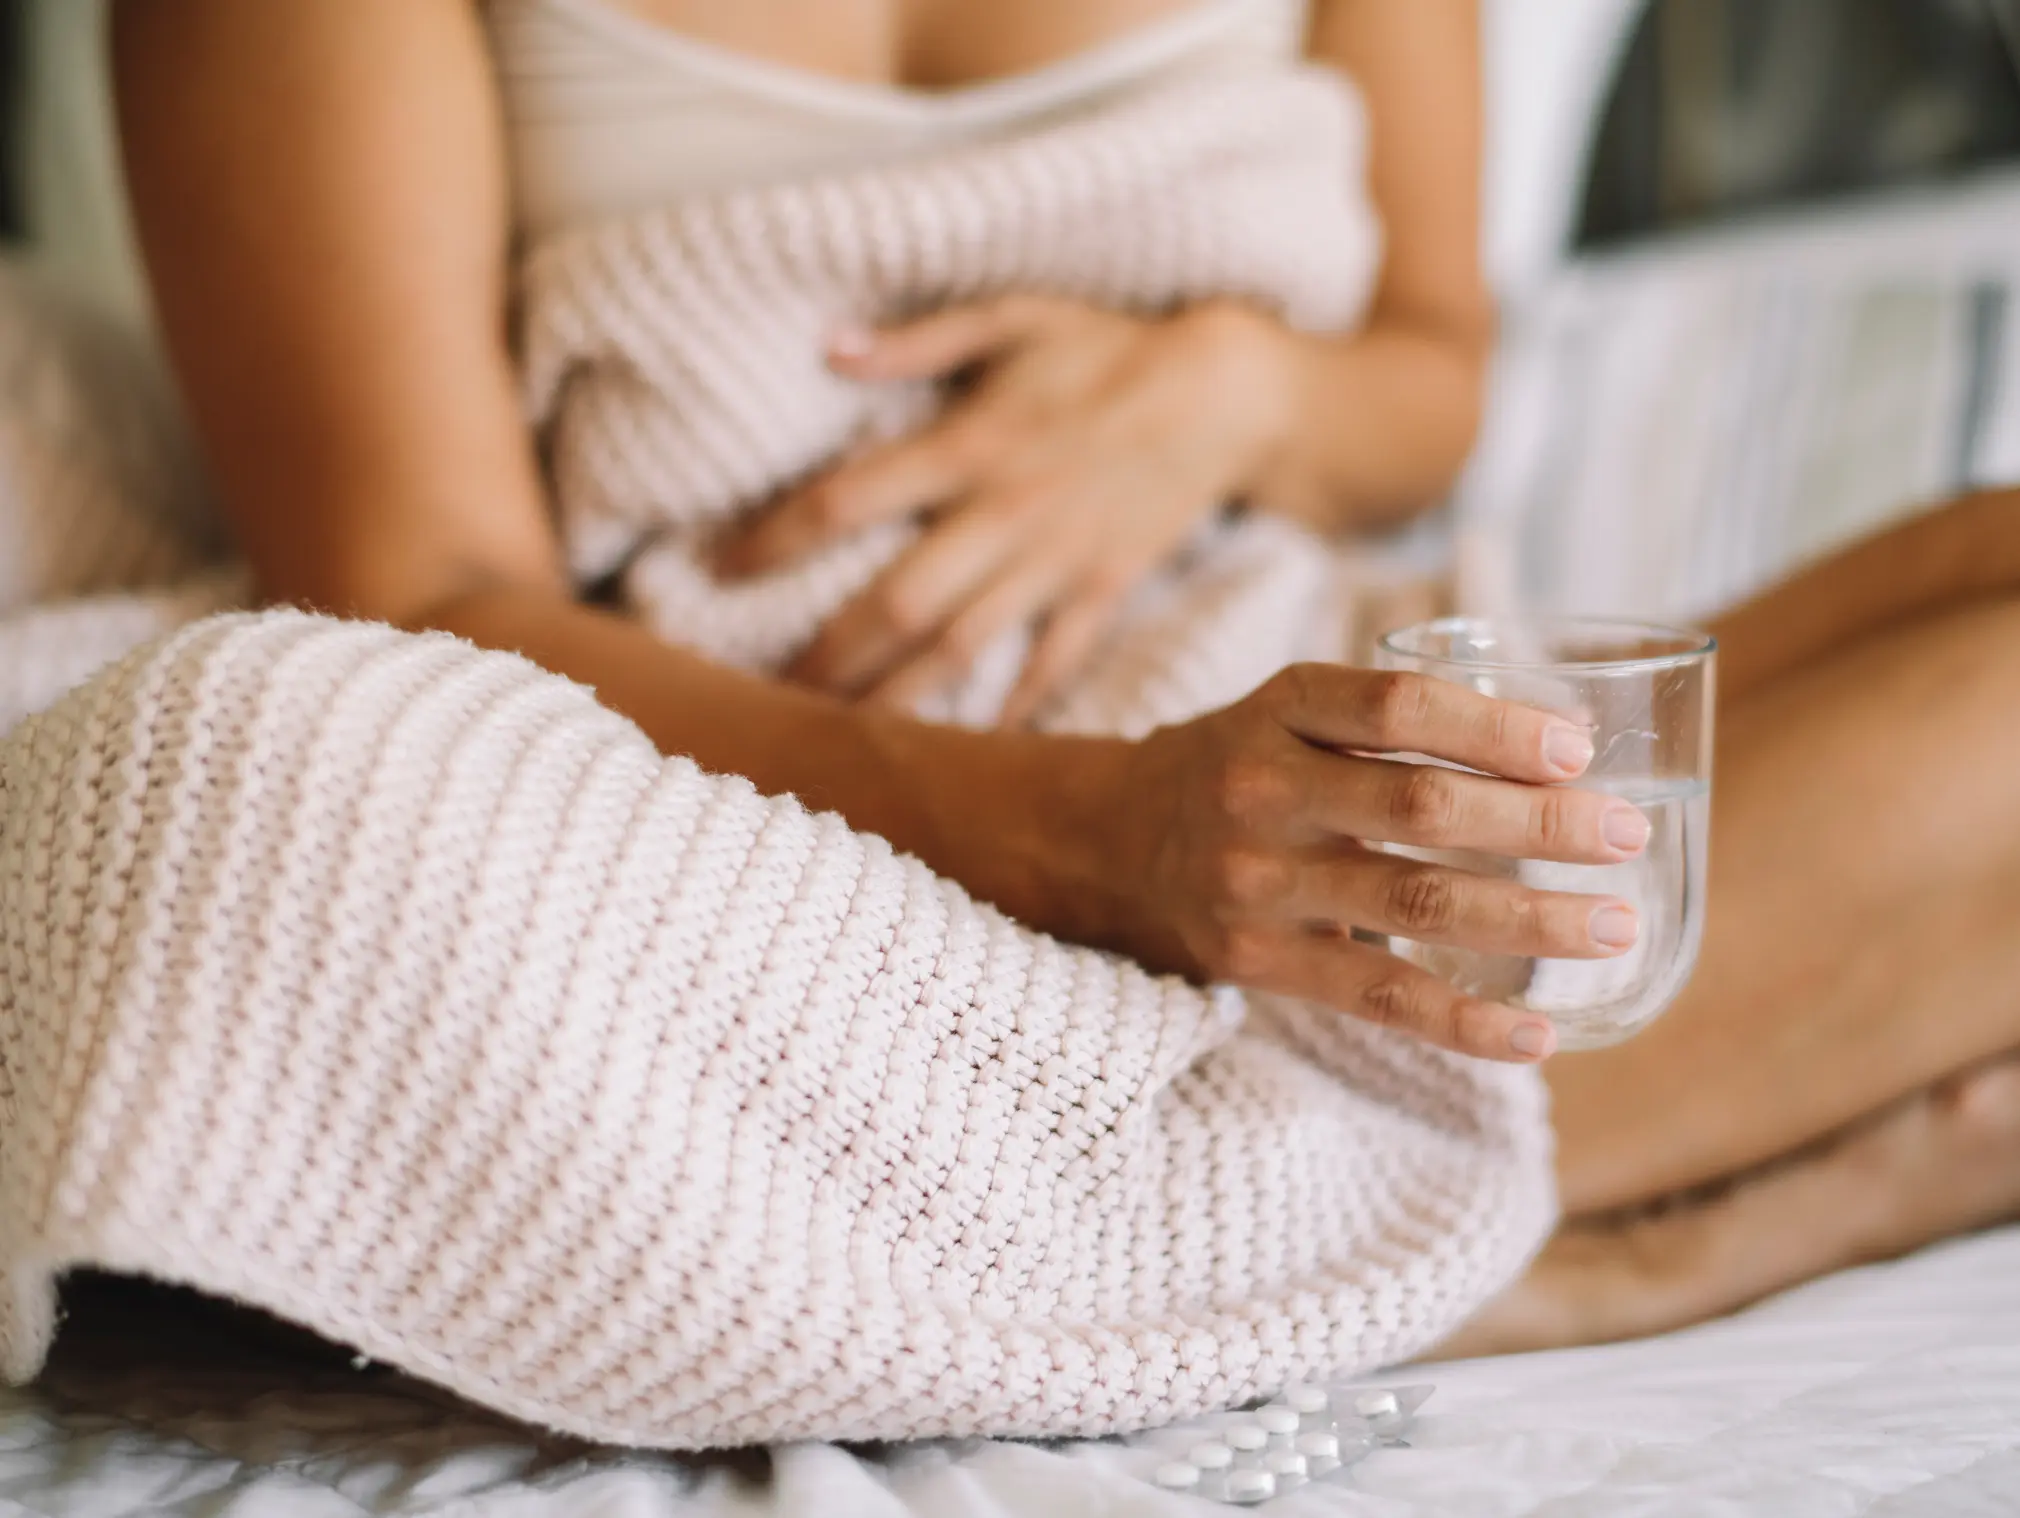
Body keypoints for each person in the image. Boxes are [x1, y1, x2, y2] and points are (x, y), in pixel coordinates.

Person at [108, 0, 2020, 1355]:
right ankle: (1484, 1247)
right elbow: (413, 580)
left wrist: (1233, 389)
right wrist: (1114, 838)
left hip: (1298, 717)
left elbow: (1428, 375)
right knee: (254, 766)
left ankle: (1320, 1225)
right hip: (751, 836)